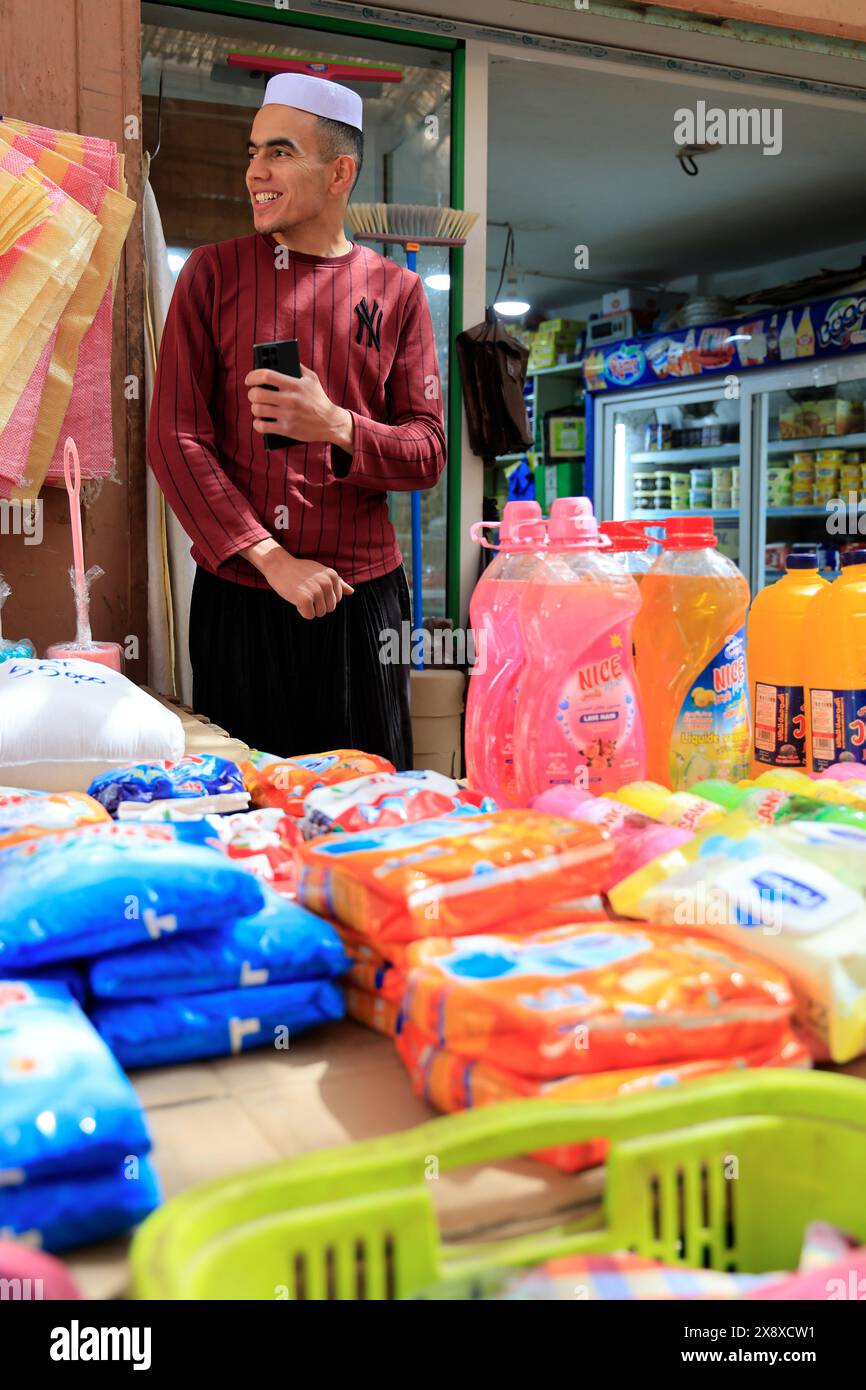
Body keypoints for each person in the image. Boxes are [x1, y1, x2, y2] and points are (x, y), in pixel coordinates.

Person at [147, 73, 446, 763]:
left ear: (339, 171)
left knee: (365, 802)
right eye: (252, 151)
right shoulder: (211, 276)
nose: (255, 171)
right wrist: (272, 558)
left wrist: (337, 424)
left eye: (278, 152)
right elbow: (176, 442)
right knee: (247, 806)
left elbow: (428, 451)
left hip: (364, 604)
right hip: (243, 600)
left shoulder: (395, 293)